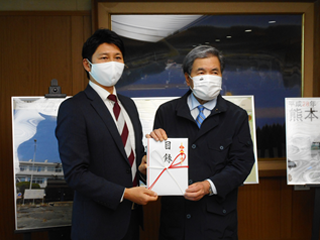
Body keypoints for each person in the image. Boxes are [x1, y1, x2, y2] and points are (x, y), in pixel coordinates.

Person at [55, 28, 158, 240]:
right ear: (87, 64)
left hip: (131, 222)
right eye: (104, 57)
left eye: (117, 57)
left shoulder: (129, 105)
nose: (113, 62)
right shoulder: (74, 108)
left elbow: (131, 159)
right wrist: (126, 193)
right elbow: (75, 173)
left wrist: (142, 168)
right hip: (96, 227)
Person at [147, 45, 255, 240]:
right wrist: (153, 151)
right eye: (201, 72)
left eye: (215, 72)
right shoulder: (166, 112)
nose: (209, 77)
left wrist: (209, 186)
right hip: (176, 222)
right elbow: (158, 163)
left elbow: (242, 164)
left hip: (217, 223)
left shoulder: (236, 116)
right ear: (188, 78)